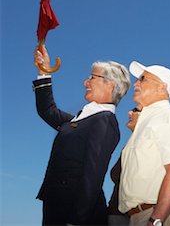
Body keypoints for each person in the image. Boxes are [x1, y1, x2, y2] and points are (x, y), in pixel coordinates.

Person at [33, 45, 131, 225]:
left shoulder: (104, 120)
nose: (85, 82)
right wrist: (44, 72)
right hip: (57, 206)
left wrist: (77, 220)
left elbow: (93, 176)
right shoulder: (82, 120)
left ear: (111, 85)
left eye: (92, 77)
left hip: (75, 214)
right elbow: (47, 110)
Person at [119, 61, 170, 226]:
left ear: (162, 87)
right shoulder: (147, 121)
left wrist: (156, 220)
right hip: (141, 216)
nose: (136, 83)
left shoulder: (168, 116)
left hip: (162, 215)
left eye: (143, 79)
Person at [107, 106, 142, 226]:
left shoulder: (146, 143)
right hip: (118, 212)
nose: (129, 113)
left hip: (131, 215)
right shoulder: (130, 144)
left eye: (135, 110)